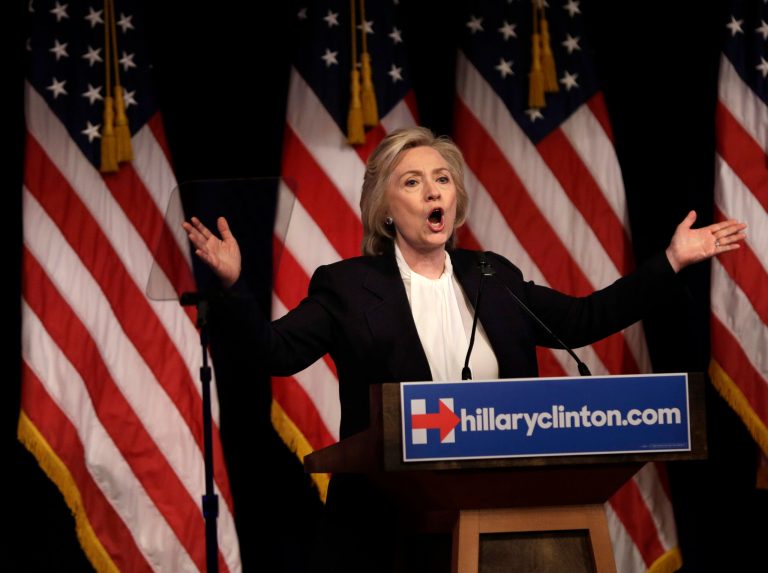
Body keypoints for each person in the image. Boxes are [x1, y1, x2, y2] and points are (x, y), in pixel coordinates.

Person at [183, 126, 746, 572]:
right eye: (412, 181)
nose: (433, 191)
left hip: (503, 529)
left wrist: (670, 262)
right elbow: (274, 352)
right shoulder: (348, 286)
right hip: (387, 532)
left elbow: (583, 318)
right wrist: (233, 289)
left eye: (443, 179)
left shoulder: (492, 277)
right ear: (384, 208)